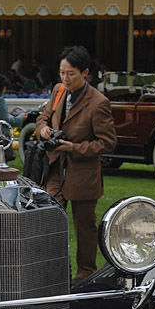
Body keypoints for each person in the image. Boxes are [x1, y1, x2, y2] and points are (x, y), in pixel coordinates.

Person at [37, 45, 116, 283]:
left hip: (83, 174)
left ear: (85, 73)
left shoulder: (99, 103)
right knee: (49, 220)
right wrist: (43, 128)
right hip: (55, 169)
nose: (65, 78)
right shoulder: (58, 90)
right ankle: (52, 273)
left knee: (85, 230)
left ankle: (85, 276)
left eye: (70, 73)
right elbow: (44, 116)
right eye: (62, 72)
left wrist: (75, 148)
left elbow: (107, 143)